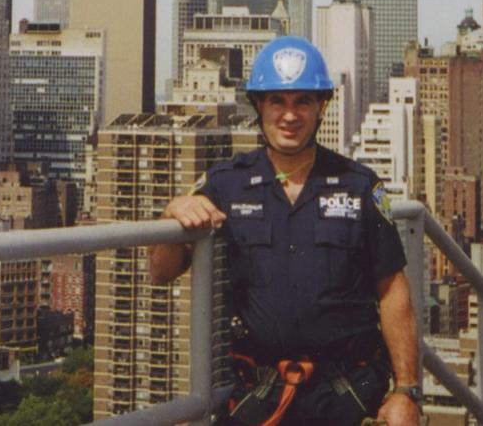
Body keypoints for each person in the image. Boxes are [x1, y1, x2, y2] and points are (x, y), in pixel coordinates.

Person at [149, 35, 422, 426]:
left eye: (302, 102)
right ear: (259, 106)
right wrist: (172, 214)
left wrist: (406, 391)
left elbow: (393, 291)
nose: (289, 115)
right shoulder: (227, 183)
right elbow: (160, 271)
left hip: (348, 390)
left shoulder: (359, 186)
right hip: (259, 395)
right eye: (277, 101)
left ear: (320, 107)